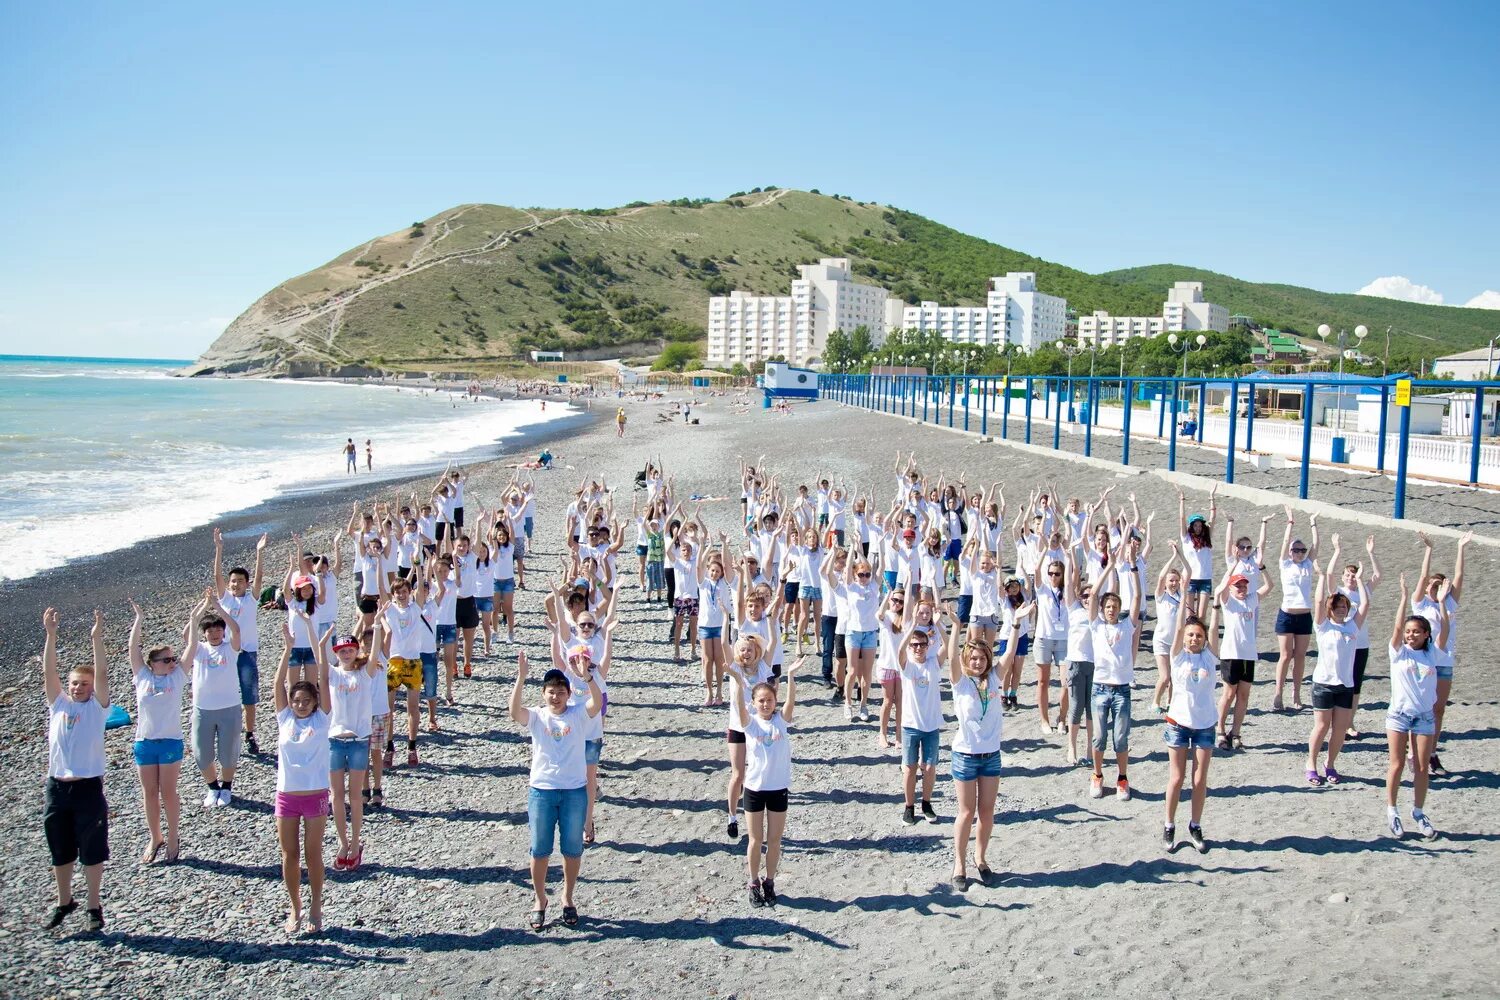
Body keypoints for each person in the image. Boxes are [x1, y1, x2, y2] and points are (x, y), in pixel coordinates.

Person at [510, 651, 602, 931]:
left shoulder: (577, 714)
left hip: (574, 791)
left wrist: (587, 676)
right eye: (551, 692)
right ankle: (539, 900)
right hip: (542, 790)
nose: (556, 697)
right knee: (539, 850)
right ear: (544, 694)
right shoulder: (538, 717)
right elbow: (515, 712)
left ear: (567, 694)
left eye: (561, 692)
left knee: (572, 850)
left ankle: (567, 897)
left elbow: (597, 703)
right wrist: (521, 678)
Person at [41, 608, 110, 932]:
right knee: (60, 848)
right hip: (57, 789)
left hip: (87, 788)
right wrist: (51, 635)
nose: (78, 687)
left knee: (92, 848)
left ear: (92, 686)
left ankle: (94, 906)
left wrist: (97, 638)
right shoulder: (59, 704)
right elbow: (49, 673)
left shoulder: (97, 708)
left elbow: (103, 674)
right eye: (74, 684)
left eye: (84, 683)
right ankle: (64, 901)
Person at [949, 620, 1024, 892]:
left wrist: (1016, 623)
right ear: (966, 659)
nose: (978, 662)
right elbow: (951, 657)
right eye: (973, 658)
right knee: (966, 812)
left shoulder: (994, 677)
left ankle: (980, 858)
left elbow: (1010, 652)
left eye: (982, 658)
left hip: (991, 755)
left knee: (987, 812)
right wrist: (956, 627)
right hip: (966, 755)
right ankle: (959, 864)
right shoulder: (960, 681)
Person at [727, 656, 803, 907]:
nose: (766, 704)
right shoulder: (749, 724)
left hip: (778, 788)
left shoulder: (781, 720)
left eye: (769, 700)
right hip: (755, 789)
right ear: (754, 703)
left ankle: (770, 881)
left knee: (775, 840)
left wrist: (790, 676)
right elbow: (739, 706)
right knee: (755, 840)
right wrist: (738, 681)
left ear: (774, 702)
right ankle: (753, 882)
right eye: (761, 700)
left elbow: (791, 702)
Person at [273, 622, 333, 935]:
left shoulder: (323, 720)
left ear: (314, 701)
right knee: (289, 855)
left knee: (313, 854)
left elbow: (322, 679)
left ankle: (315, 907)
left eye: (305, 700)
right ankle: (295, 907)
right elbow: (278, 687)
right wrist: (286, 650)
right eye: (296, 700)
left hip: (315, 795)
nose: (299, 704)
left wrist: (319, 649)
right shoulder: (284, 718)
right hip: (287, 795)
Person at [1385, 574, 1446, 840]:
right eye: (1409, 632)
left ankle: (1419, 812)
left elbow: (1445, 627)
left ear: (1426, 635)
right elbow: (1397, 630)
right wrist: (1402, 597)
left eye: (1416, 632)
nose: (1411, 635)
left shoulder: (1432, 652)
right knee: (1397, 764)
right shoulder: (1399, 651)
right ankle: (1392, 811)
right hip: (1398, 715)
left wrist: (1441, 603)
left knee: (1421, 767)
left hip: (1424, 717)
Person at [1307, 537, 1368, 785]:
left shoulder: (1353, 626)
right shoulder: (1323, 626)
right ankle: (1311, 764)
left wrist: (1361, 579)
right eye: (1337, 606)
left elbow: (1365, 603)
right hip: (1323, 683)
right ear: (1331, 609)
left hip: (1346, 684)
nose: (1341, 609)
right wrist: (1321, 577)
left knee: (1340, 730)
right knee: (1321, 727)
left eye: (1344, 605)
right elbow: (1319, 601)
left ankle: (1330, 764)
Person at [128, 599, 185, 864]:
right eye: (166, 659)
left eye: (174, 658)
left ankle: (174, 836)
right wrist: (138, 620)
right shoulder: (143, 677)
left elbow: (193, 648)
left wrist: (195, 620)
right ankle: (155, 836)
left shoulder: (176, 676)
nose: (172, 662)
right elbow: (132, 650)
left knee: (169, 791)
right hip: (145, 742)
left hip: (171, 741)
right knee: (149, 793)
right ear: (153, 663)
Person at [320, 625, 380, 872]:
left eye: (350, 649)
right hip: (334, 740)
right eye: (341, 650)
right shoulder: (333, 674)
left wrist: (376, 624)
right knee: (336, 796)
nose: (345, 654)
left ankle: (356, 843)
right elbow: (317, 657)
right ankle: (342, 843)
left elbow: (375, 653)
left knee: (355, 797)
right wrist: (321, 637)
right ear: (336, 653)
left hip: (358, 741)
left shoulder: (365, 674)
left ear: (356, 651)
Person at [1412, 531, 1469, 775]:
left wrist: (1460, 548)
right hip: (1423, 662)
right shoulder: (1421, 604)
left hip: (1444, 662)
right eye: (1431, 585)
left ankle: (1432, 753)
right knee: (1420, 707)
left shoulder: (1449, 604)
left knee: (1438, 709)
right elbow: (1423, 576)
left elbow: (1459, 575)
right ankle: (1415, 753)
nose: (1434, 587)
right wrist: (1429, 550)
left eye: (1439, 584)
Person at [1088, 535, 1139, 800]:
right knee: (1099, 738)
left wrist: (1131, 567)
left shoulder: (1126, 625)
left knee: (1121, 738)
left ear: (1119, 609)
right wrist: (1109, 565)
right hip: (1100, 688)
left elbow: (1138, 596)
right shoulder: (1096, 626)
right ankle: (1097, 775)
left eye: (1114, 606)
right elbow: (1094, 594)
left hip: (1121, 689)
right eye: (1107, 606)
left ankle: (1122, 777)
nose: (1110, 609)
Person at [183, 588, 243, 807]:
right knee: (202, 752)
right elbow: (186, 635)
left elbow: (235, 630)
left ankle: (226, 787)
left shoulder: (230, 648)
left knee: (228, 752)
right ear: (204, 633)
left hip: (229, 707)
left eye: (218, 629)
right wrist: (201, 607)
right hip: (203, 709)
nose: (215, 633)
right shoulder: (198, 649)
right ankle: (212, 787)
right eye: (210, 630)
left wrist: (217, 607)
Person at [213, 528, 267, 755]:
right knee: (225, 694)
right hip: (227, 652)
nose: (236, 585)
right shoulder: (224, 598)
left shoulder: (251, 599)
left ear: (246, 583)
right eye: (233, 581)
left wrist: (259, 553)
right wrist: (219, 548)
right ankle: (227, 733)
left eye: (240, 581)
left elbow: (260, 576)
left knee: (248, 695)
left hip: (247, 653)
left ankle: (250, 733)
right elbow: (217, 576)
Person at [897, 607, 953, 825]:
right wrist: (910, 630)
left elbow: (948, 646)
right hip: (911, 725)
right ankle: (908, 806)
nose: (918, 648)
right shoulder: (907, 666)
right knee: (910, 768)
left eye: (922, 645)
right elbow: (899, 653)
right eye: (915, 645)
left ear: (928, 646)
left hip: (931, 725)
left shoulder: (933, 664)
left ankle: (926, 803)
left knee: (929, 768)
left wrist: (939, 624)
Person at [1214, 565, 1271, 750]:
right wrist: (1230, 569)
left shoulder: (1251, 600)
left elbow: (1269, 585)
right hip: (1231, 653)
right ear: (1231, 588)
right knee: (1229, 693)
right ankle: (1220, 730)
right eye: (1237, 586)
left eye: (1244, 585)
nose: (1241, 589)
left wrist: (1262, 568)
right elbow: (1220, 588)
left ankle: (1236, 732)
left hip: (1248, 654)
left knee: (1244, 695)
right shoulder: (1228, 601)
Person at [1273, 506, 1319, 711]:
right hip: (1287, 614)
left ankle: (1296, 693)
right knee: (1285, 655)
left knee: (1300, 656)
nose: (1300, 553)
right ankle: (1278, 693)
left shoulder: (1308, 564)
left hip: (1305, 615)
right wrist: (1289, 523)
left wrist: (1313, 523)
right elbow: (1284, 544)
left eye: (1302, 550)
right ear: (1291, 552)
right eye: (1296, 550)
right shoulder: (1285, 564)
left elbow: (1316, 545)